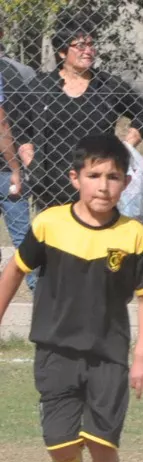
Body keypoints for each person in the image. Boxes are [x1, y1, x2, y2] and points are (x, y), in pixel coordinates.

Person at [0, 133, 143, 462]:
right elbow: (14, 271)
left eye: (113, 177)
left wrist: (142, 353)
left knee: (103, 444)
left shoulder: (133, 235)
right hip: (55, 351)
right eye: (94, 175)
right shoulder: (49, 224)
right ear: (75, 178)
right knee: (62, 444)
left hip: (109, 356)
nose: (103, 186)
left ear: (126, 183)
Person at [9, 21, 143, 214]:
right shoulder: (41, 86)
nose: (88, 51)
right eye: (80, 45)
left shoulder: (107, 85)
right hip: (50, 189)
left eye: (91, 45)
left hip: (98, 188)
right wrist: (30, 159)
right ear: (62, 52)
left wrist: (125, 147)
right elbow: (20, 127)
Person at [0, 25, 35, 288]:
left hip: (8, 167)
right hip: (10, 168)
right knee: (25, 243)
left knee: (25, 242)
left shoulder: (18, 73)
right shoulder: (22, 72)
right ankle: (42, 299)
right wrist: (16, 168)